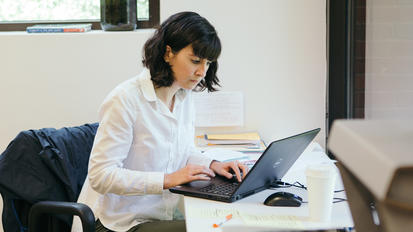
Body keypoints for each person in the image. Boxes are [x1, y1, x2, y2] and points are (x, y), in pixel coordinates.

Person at [72, 11, 247, 232]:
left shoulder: (183, 97)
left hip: (160, 215)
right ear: (168, 53)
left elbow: (181, 152)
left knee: (228, 222)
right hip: (119, 222)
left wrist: (212, 165)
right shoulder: (125, 99)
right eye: (195, 61)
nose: (202, 72)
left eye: (207, 63)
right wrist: (167, 180)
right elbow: (101, 176)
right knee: (213, 229)